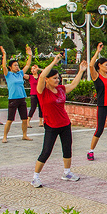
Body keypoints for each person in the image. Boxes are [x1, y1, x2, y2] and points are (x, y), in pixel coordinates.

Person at [31, 53, 87, 187]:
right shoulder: (42, 91)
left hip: (65, 124)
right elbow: (42, 75)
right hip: (51, 125)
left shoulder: (61, 89)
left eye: (58, 78)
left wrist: (81, 71)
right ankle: (35, 177)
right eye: (55, 78)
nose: (58, 80)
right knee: (46, 151)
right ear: (47, 79)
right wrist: (53, 62)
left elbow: (73, 84)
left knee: (67, 149)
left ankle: (67, 173)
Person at [0, 45, 33, 143]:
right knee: (10, 119)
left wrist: (30, 55)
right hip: (13, 100)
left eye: (17, 65)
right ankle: (5, 136)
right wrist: (4, 55)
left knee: (24, 119)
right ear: (10, 67)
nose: (17, 66)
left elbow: (27, 65)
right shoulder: (8, 75)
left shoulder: (20, 73)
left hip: (22, 99)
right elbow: (4, 66)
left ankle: (24, 135)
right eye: (15, 65)